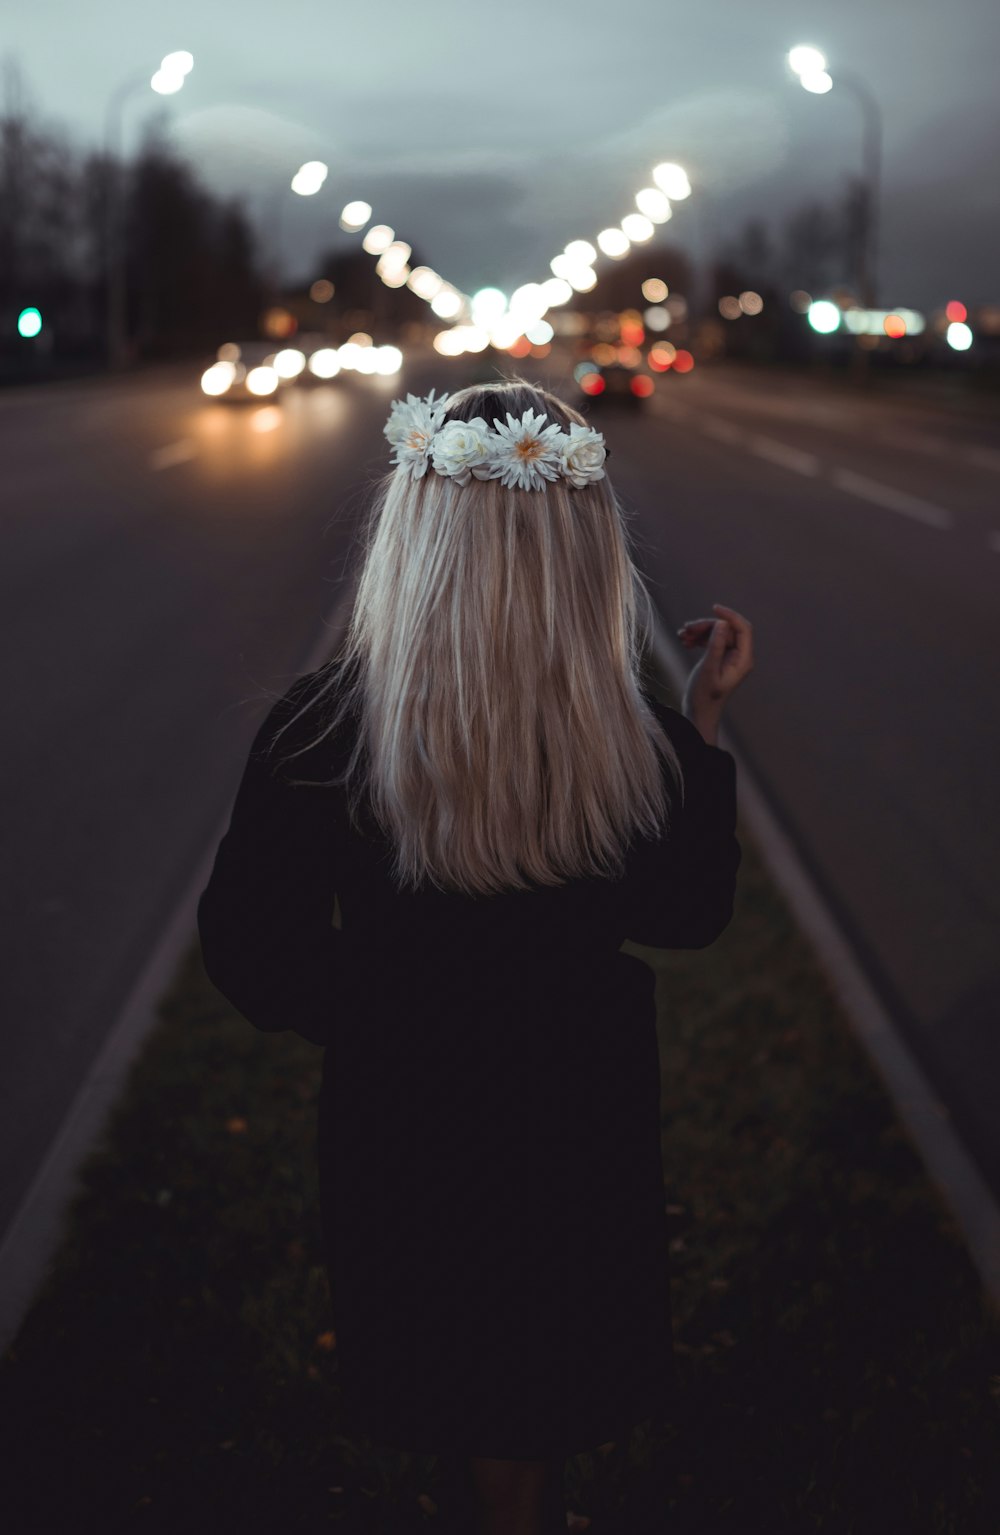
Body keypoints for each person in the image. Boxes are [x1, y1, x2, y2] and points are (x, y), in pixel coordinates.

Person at [196, 377, 753, 1534]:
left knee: (451, 1382)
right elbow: (689, 909)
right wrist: (700, 724)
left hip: (406, 1126)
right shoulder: (626, 736)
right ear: (584, 549)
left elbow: (252, 951)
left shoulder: (326, 726)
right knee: (531, 1411)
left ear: (415, 532)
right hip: (577, 1118)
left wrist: (382, 1008)